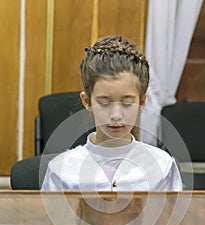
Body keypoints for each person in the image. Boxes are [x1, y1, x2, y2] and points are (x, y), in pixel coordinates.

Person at [41, 35, 182, 191]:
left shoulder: (162, 166)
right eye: (104, 103)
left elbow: (173, 214)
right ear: (87, 101)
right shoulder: (61, 169)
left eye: (127, 103)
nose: (116, 115)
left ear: (142, 102)